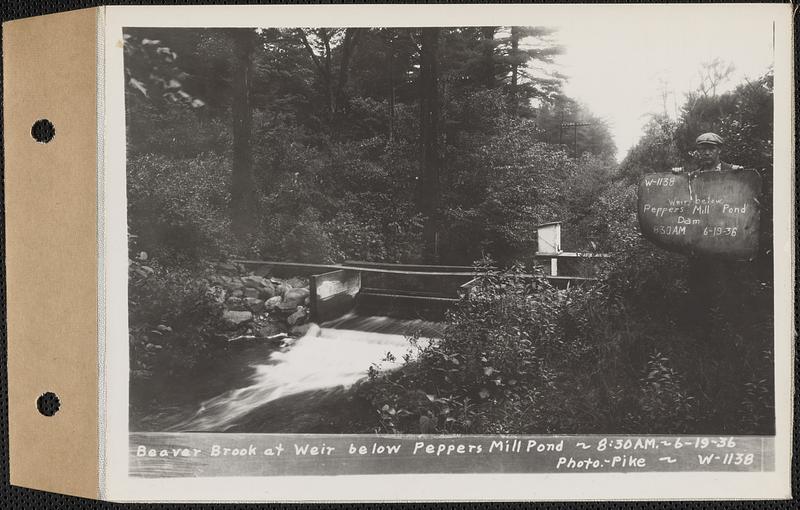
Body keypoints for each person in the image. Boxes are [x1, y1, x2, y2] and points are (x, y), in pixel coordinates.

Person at [671, 132, 744, 175]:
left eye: (712, 149)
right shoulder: (695, 175)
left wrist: (739, 174)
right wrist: (680, 177)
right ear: (699, 151)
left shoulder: (732, 171)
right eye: (703, 149)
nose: (707, 153)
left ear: (719, 150)